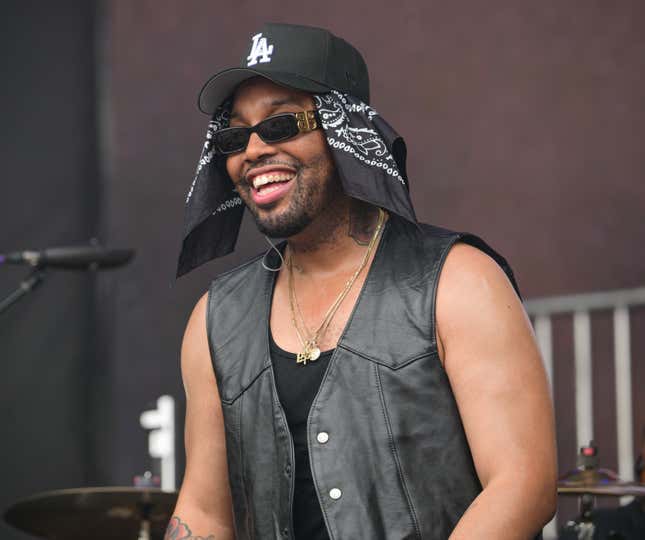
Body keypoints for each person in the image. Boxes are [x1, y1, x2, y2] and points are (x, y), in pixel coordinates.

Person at [168, 23, 557, 540]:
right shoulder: (215, 318)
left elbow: (522, 483)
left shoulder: (459, 280)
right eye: (235, 136)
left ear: (342, 129)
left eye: (282, 125)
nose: (253, 150)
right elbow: (204, 510)